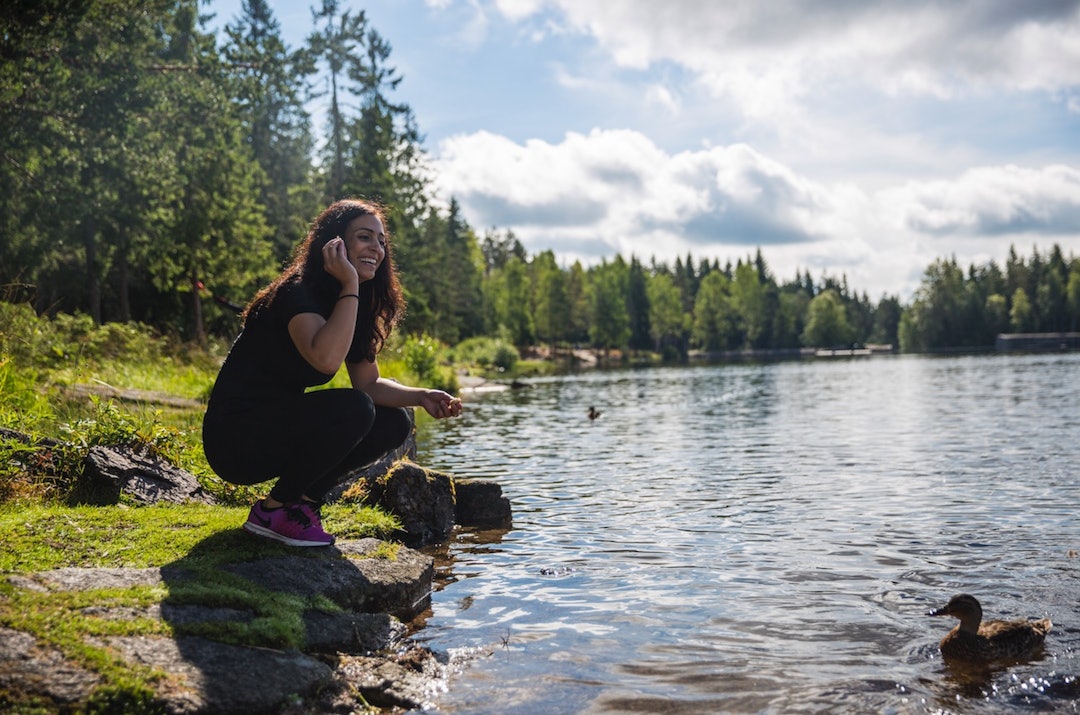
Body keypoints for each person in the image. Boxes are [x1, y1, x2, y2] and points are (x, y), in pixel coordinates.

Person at [202, 198, 462, 547]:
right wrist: (351, 284)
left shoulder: (349, 302)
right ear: (334, 243)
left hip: (274, 428)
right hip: (235, 439)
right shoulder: (298, 293)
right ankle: (273, 511)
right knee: (355, 408)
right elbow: (324, 359)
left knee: (395, 421)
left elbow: (368, 383)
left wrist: (422, 396)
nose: (377, 248)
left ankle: (301, 506)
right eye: (365, 237)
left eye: (381, 241)